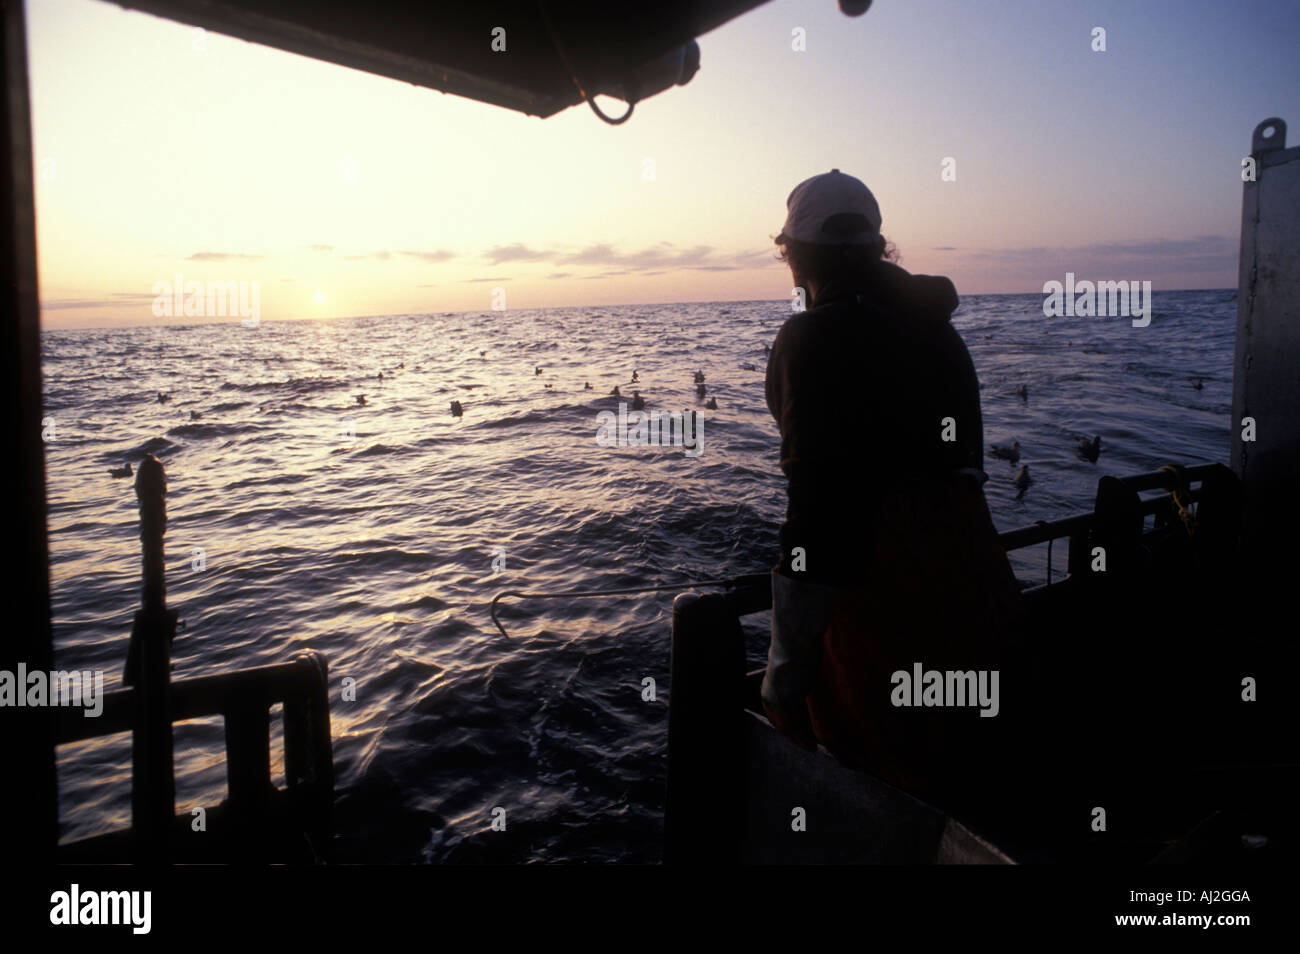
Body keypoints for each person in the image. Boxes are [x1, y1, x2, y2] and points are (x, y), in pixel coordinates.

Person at [760, 169, 1024, 814]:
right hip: (977, 592)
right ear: (879, 248)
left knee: (894, 796)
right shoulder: (940, 331)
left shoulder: (810, 338)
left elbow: (819, 519)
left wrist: (783, 678)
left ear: (796, 253)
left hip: (887, 616)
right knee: (979, 785)